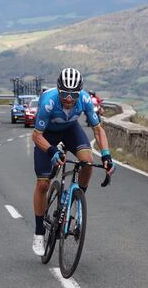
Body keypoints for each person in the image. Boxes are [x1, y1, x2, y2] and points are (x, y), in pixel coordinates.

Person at [31, 68, 116, 256]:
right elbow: (36, 136)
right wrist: (52, 150)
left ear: (80, 92)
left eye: (73, 95)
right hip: (46, 136)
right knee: (43, 184)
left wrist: (107, 155)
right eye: (65, 94)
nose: (69, 99)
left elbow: (98, 130)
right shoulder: (48, 101)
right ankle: (38, 232)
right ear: (59, 90)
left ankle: (77, 201)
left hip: (70, 130)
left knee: (87, 161)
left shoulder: (85, 100)